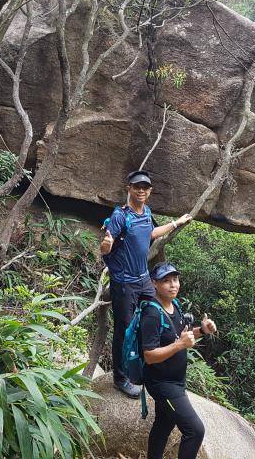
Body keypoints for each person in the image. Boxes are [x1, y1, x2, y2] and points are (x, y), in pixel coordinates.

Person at [99, 169, 193, 398]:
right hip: (124, 283)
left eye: (145, 187)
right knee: (125, 329)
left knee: (156, 315)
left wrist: (176, 223)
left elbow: (151, 233)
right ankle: (121, 378)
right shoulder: (121, 216)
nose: (141, 190)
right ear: (128, 188)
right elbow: (106, 245)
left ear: (149, 191)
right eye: (136, 187)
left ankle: (151, 364)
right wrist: (106, 245)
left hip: (143, 278)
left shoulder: (146, 212)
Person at [141, 262, 217, 459]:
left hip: (176, 380)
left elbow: (180, 336)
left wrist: (202, 331)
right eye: (166, 281)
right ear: (154, 283)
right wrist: (180, 345)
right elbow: (149, 356)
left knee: (163, 424)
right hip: (162, 383)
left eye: (175, 280)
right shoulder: (151, 313)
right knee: (195, 430)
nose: (173, 285)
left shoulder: (174, 305)